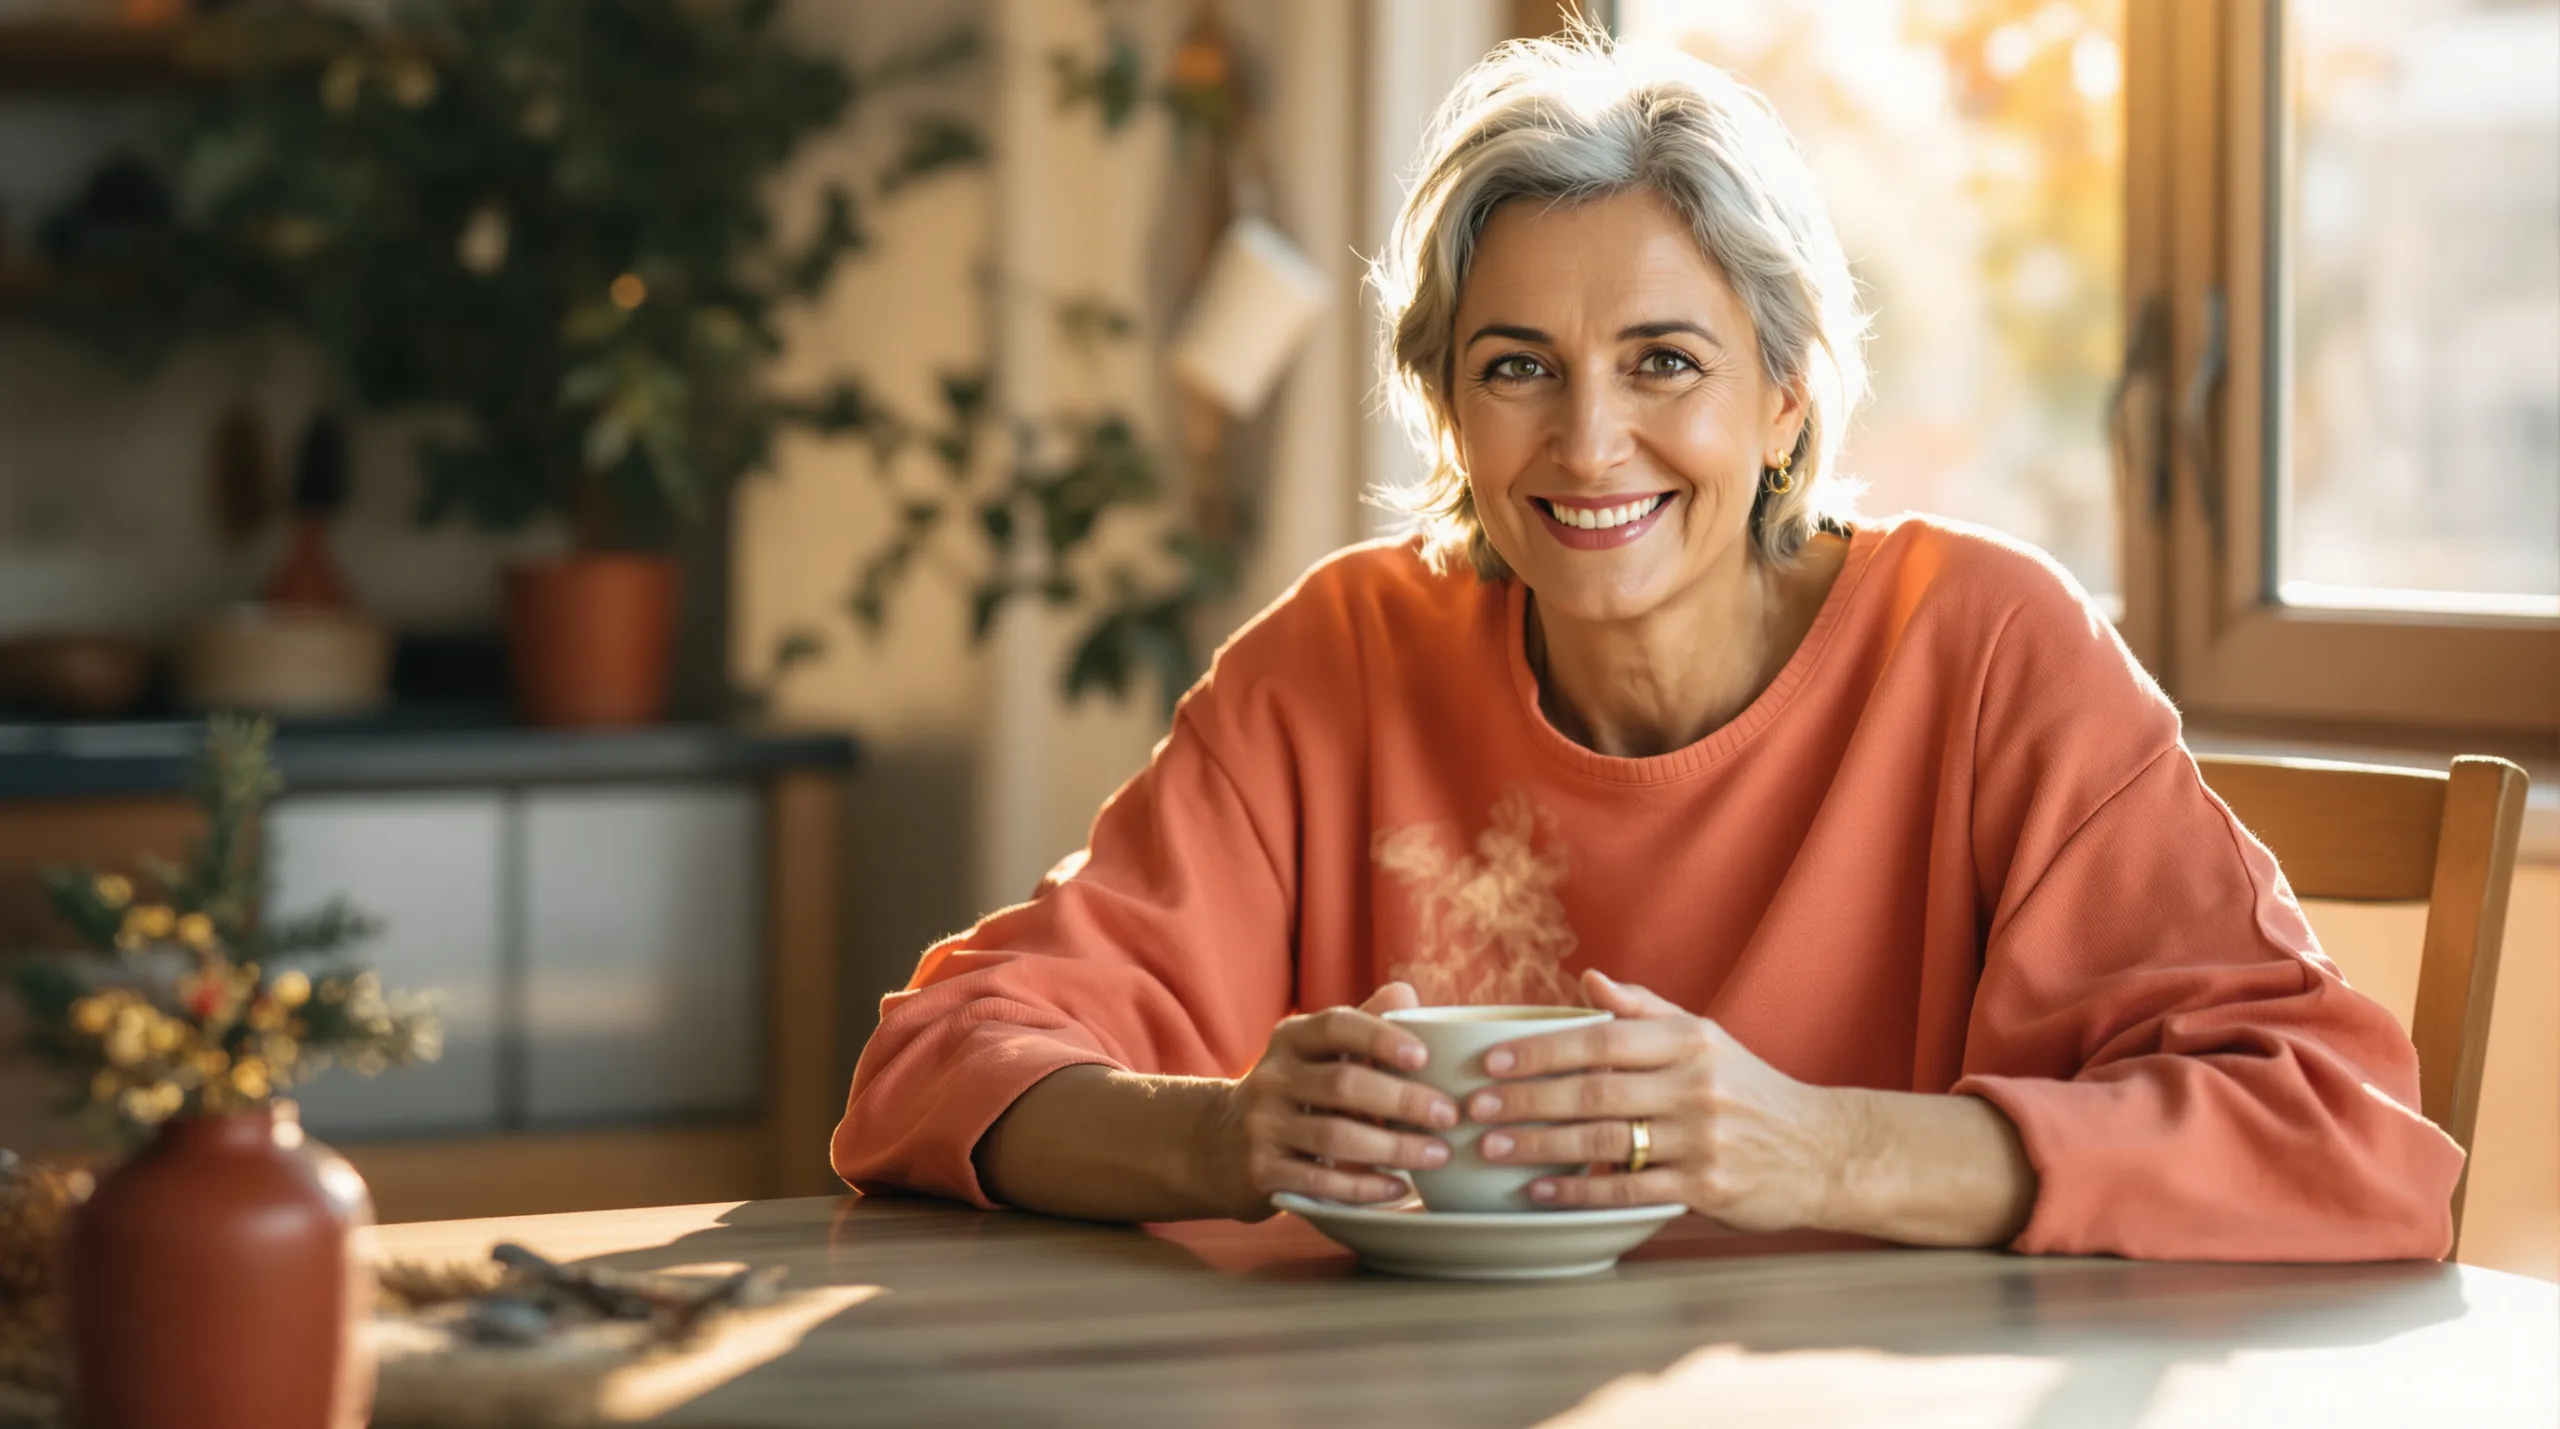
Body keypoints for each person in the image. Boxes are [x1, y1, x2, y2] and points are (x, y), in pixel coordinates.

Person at [830, 32, 2460, 1260]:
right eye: (1516, 367)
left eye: (1665, 361)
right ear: (1452, 412)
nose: (1588, 442)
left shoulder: (1982, 650)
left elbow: (2356, 1144)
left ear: (1785, 398)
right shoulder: (1345, 654)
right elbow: (927, 1072)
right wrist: (1224, 1137)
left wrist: (1819, 1150)